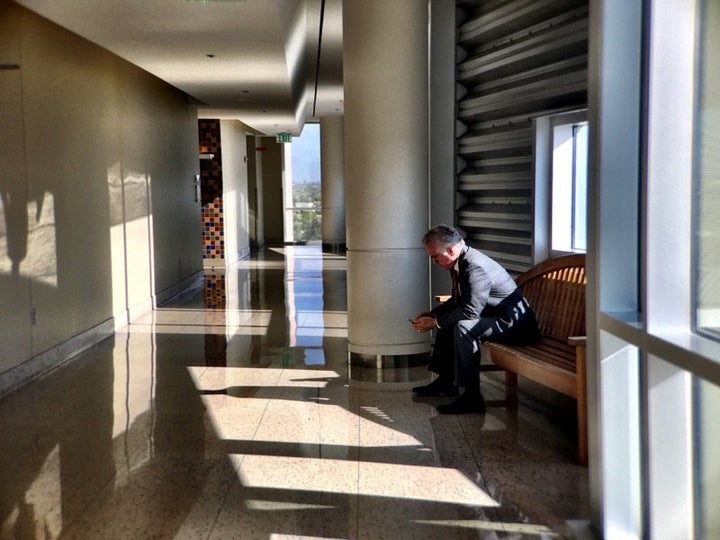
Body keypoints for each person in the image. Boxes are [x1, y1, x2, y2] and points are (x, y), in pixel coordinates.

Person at [410, 224, 539, 414]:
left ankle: (472, 398)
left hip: (514, 325)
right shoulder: (461, 260)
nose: (434, 262)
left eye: (435, 257)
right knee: (448, 321)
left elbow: (470, 312)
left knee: (463, 326)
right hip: (495, 317)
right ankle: (447, 383)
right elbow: (458, 302)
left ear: (451, 249)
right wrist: (434, 315)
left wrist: (437, 322)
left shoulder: (473, 266)